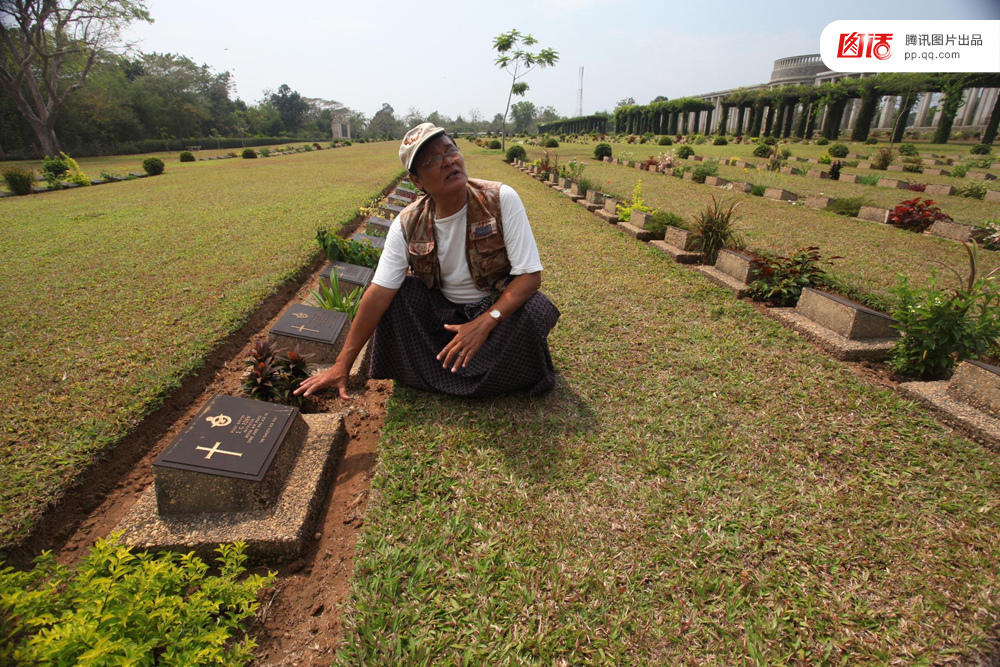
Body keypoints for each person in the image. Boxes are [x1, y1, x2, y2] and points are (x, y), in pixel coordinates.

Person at [295, 123, 559, 399]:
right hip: (443, 316)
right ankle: (493, 371)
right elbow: (379, 293)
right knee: (400, 294)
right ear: (417, 181)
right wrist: (342, 365)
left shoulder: (499, 199)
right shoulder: (407, 224)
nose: (448, 162)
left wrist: (485, 322)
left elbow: (530, 276)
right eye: (432, 160)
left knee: (534, 309)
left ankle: (446, 372)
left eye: (450, 150)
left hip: (496, 309)